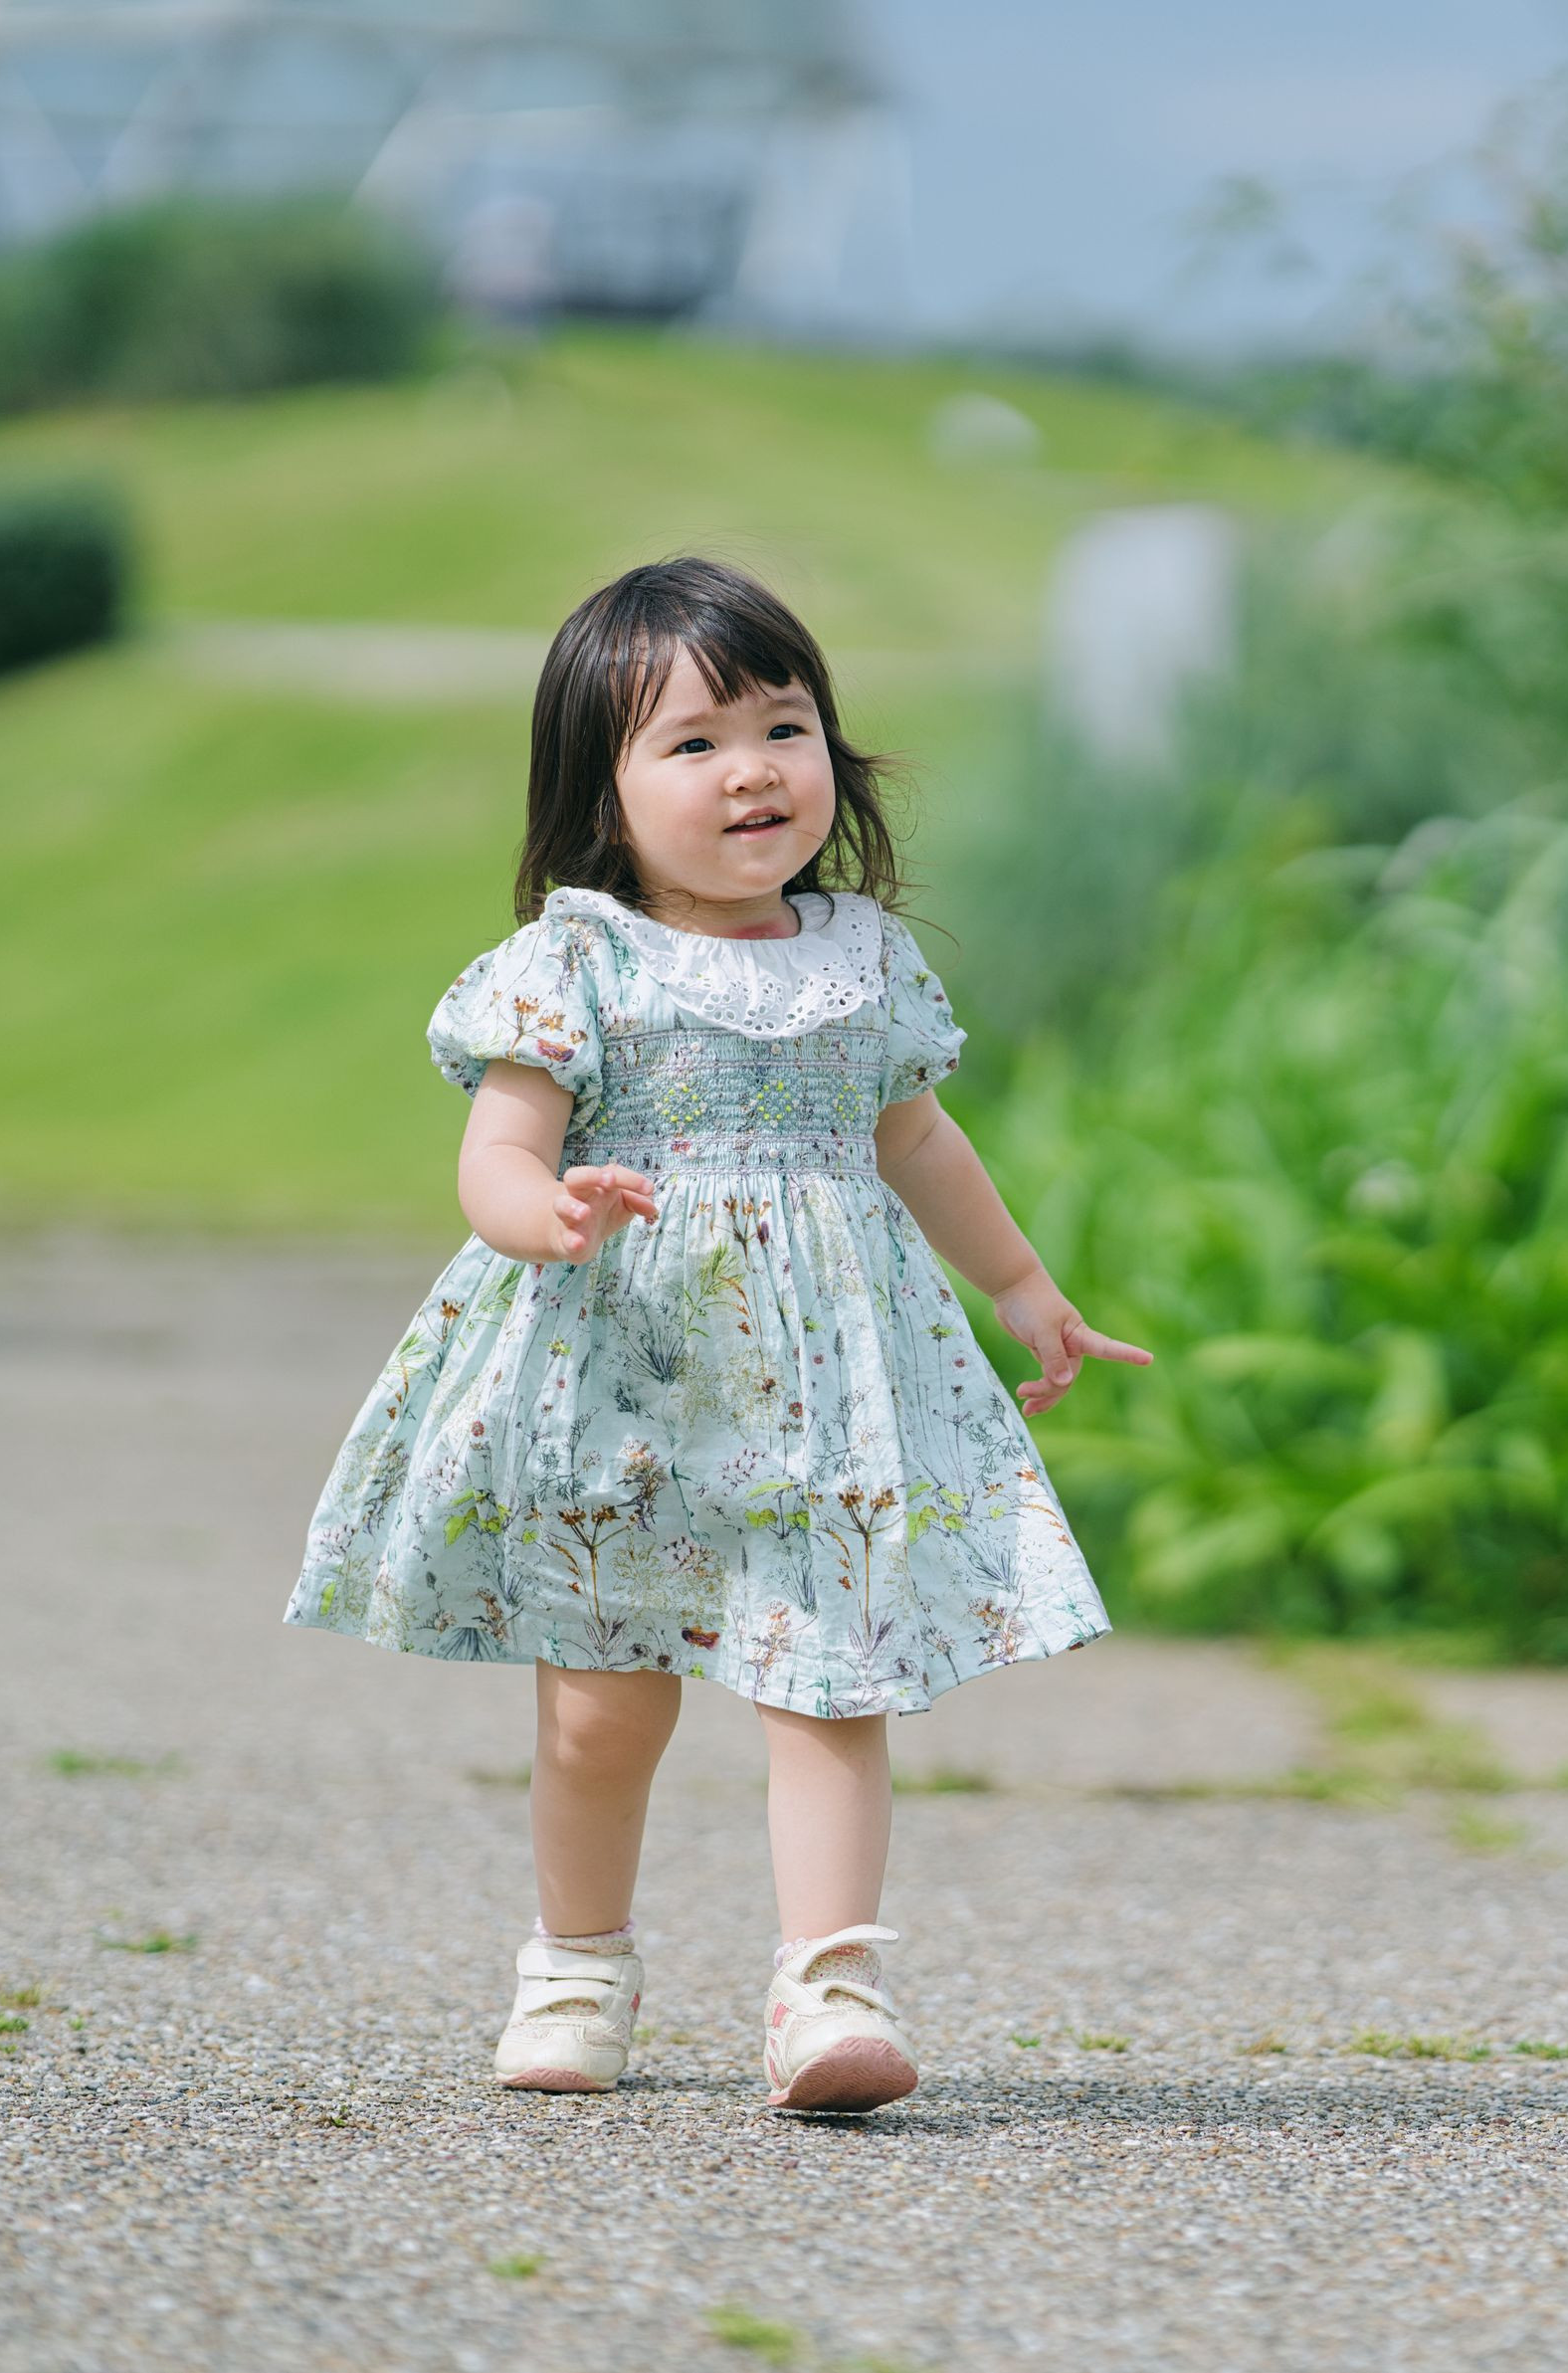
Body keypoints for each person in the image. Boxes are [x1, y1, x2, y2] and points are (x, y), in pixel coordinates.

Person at [285, 556, 1148, 2111]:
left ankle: (829, 1987)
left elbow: (914, 1138)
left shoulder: (861, 958)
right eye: (693, 743)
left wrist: (1020, 1283)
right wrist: (545, 1211)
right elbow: (497, 1148)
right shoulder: (578, 961)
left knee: (832, 1679)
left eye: (781, 726)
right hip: (622, 1376)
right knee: (602, 1703)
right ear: (601, 796)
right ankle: (577, 1965)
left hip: (824, 1391)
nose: (751, 769)